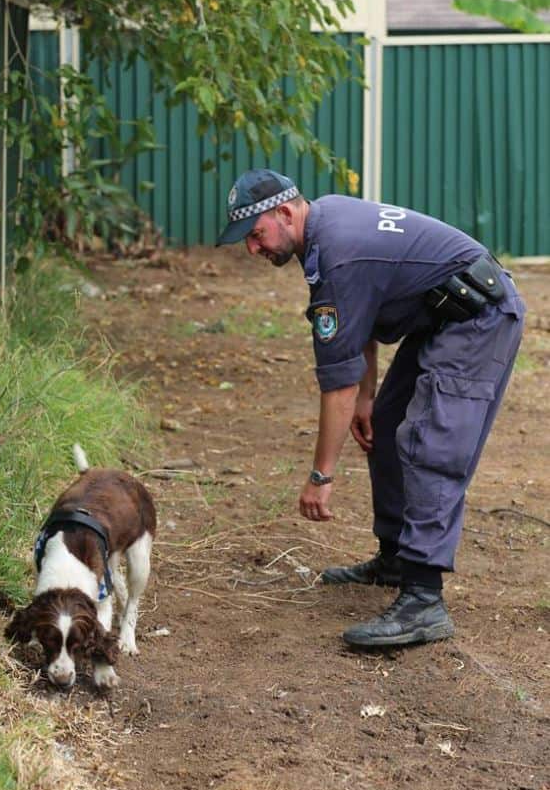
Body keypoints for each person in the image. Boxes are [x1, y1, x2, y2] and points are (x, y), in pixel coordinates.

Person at [216, 168, 525, 648]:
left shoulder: (336, 254)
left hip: (478, 317)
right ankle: (395, 558)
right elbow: (359, 323)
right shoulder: (325, 226)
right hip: (443, 314)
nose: (252, 249)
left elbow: (335, 381)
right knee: (387, 422)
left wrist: (321, 476)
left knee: (429, 444)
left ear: (284, 212)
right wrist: (367, 399)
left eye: (255, 235)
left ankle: (424, 598)